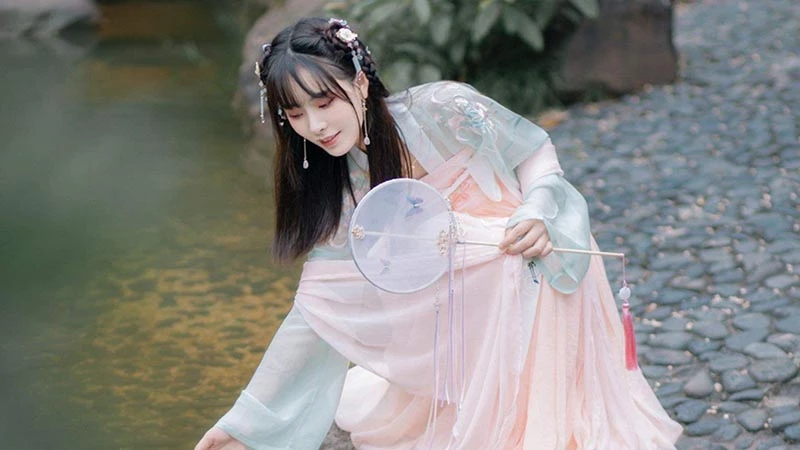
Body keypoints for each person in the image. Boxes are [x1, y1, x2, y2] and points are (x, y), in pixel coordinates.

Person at [195, 17, 682, 450]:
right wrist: (245, 425)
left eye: (324, 101)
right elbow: (315, 308)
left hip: (532, 254)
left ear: (360, 81)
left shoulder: (443, 107)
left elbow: (535, 150)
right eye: (296, 114)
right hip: (464, 302)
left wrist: (536, 212)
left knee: (506, 261)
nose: (316, 126)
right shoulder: (340, 184)